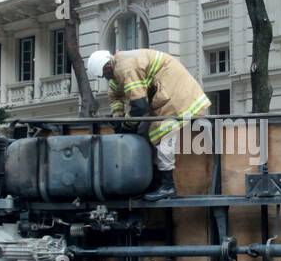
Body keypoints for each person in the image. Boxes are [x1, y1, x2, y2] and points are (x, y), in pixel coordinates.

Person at [85, 48, 211, 201]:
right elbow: (115, 96)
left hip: (176, 94)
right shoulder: (117, 71)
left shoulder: (126, 68)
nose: (106, 78)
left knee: (163, 133)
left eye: (105, 75)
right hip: (165, 90)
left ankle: (168, 186)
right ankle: (153, 182)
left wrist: (126, 126)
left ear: (107, 67)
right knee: (147, 131)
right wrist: (118, 116)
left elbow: (140, 106)